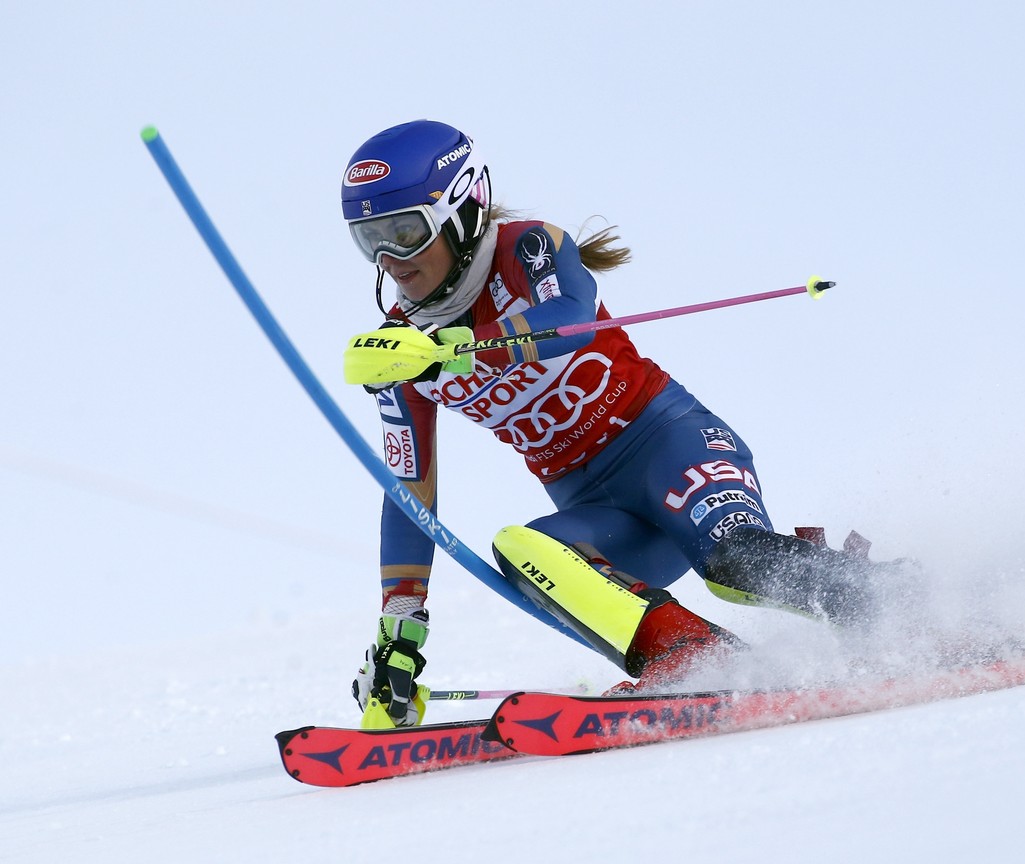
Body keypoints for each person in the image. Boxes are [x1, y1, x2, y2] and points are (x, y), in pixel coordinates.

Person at [339, 120, 892, 728]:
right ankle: (694, 658)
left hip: (670, 447)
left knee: (734, 566)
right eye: (370, 241)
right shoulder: (399, 350)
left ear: (461, 209)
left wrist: (456, 346)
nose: (391, 260)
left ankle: (904, 606)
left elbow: (569, 317)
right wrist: (401, 628)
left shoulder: (528, 248)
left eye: (405, 232)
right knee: (525, 552)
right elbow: (409, 492)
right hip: (601, 511)